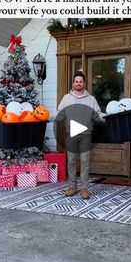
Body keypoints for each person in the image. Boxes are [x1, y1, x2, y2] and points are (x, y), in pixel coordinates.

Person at [56, 71, 105, 199]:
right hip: (71, 134)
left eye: (80, 82)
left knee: (84, 161)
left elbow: (98, 114)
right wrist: (46, 117)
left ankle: (84, 189)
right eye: (76, 81)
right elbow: (59, 114)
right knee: (71, 161)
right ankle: (72, 187)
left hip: (86, 135)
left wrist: (107, 117)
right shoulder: (67, 98)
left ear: (84, 84)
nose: (78, 84)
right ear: (73, 83)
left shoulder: (91, 99)